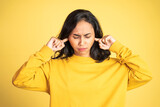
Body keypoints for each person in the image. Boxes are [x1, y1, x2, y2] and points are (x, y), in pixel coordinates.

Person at [12, 9, 152, 107]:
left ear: (96, 36)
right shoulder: (53, 68)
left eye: (87, 36)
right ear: (67, 37)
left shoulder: (117, 68)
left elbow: (145, 74)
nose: (82, 42)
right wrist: (46, 51)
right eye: (76, 36)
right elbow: (20, 80)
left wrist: (118, 48)